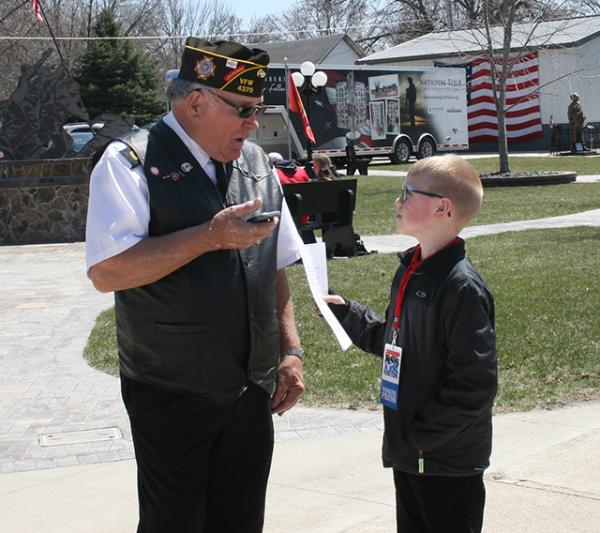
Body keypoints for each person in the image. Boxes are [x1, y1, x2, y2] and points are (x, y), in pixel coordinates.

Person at [85, 37, 305, 533]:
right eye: (244, 110)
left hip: (251, 389)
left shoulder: (257, 165)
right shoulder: (130, 163)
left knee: (241, 520)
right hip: (171, 389)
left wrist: (291, 351)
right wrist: (209, 237)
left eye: (258, 110)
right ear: (197, 102)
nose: (254, 123)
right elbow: (108, 271)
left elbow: (275, 264)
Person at [323, 154, 498, 533]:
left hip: (446, 464)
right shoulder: (414, 270)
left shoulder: (460, 287)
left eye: (407, 193)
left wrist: (417, 439)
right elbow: (395, 344)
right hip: (412, 456)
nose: (397, 200)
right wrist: (347, 314)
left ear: (442, 207)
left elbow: (475, 385)